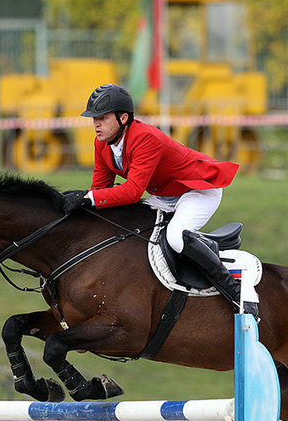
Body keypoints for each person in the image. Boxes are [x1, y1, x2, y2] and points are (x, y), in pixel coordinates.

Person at [61, 84, 257, 317]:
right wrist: (81, 200)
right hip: (165, 195)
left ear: (123, 118)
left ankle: (237, 292)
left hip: (197, 189)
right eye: (94, 118)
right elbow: (100, 190)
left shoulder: (145, 138)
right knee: (129, 222)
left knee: (175, 237)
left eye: (102, 118)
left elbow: (132, 192)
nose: (96, 124)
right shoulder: (101, 144)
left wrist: (88, 198)